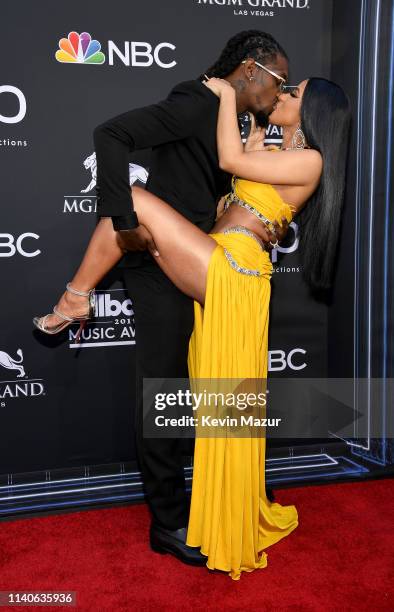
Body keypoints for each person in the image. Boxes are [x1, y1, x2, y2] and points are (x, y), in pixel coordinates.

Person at [33, 30, 292, 567]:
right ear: (251, 69)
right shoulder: (194, 99)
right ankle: (169, 520)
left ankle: (214, 500)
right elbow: (112, 133)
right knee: (166, 394)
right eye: (279, 79)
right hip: (159, 264)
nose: (280, 90)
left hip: (201, 261)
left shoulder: (236, 120)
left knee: (199, 392)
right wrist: (125, 223)